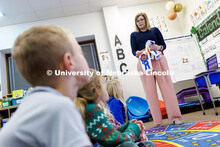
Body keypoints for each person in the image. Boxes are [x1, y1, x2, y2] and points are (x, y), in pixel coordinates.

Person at [0, 25, 92, 147]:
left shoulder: (38, 104)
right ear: (69, 61)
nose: (84, 56)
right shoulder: (58, 108)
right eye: (81, 52)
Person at [130, 12, 182, 126]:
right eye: (137, 21)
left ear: (146, 20)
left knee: (167, 87)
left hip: (158, 60)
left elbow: (163, 45)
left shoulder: (155, 30)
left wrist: (159, 47)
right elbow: (133, 51)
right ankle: (158, 121)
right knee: (150, 91)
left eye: (141, 19)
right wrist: (137, 53)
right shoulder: (133, 35)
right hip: (144, 63)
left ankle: (175, 117)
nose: (140, 22)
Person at [74, 69, 145, 147]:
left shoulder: (88, 108)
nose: (106, 88)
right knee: (128, 145)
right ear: (98, 90)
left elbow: (108, 133)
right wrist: (134, 128)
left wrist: (128, 125)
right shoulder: (92, 110)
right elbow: (116, 140)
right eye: (104, 84)